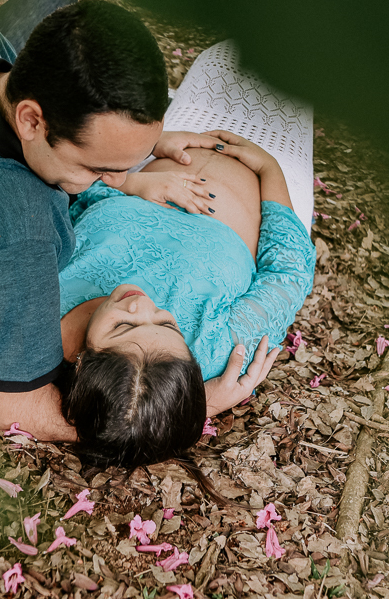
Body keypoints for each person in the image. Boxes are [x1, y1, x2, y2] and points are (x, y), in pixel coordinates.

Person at [0, 0, 242, 440]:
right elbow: (18, 414)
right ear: (30, 119)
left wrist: (130, 152)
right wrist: (196, 406)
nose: (120, 179)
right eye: (100, 167)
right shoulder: (17, 235)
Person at [54, 41, 317, 470]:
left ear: (81, 363)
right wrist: (269, 169)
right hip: (269, 173)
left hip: (161, 152)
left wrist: (134, 174)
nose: (143, 304)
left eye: (123, 325)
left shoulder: (43, 302)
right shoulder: (214, 353)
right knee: (297, 60)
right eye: (166, 322)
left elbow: (68, 194)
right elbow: (287, 272)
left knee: (229, 51)